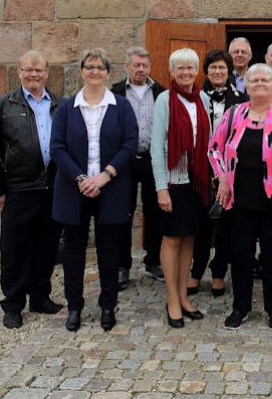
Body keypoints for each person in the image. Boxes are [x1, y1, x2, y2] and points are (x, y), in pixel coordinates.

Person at [208, 63, 272, 330]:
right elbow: (214, 149)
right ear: (246, 85)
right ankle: (240, 307)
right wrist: (223, 177)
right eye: (254, 80)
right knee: (240, 256)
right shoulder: (233, 115)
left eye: (266, 80)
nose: (260, 83)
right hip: (239, 200)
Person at [50, 48, 138, 332]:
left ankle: (108, 306)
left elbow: (130, 144)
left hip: (110, 187)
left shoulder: (121, 106)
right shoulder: (66, 107)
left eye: (100, 67)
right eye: (90, 67)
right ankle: (74, 306)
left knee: (109, 250)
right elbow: (57, 148)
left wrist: (104, 176)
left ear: (108, 72)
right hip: (74, 188)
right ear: (82, 71)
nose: (95, 72)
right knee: (73, 250)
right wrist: (80, 178)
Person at [0, 49, 62, 329]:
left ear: (47, 72)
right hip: (18, 189)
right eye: (28, 70)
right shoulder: (4, 105)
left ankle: (40, 296)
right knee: (14, 249)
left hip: (50, 188)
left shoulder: (58, 105)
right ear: (19, 72)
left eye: (39, 70)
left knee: (46, 246)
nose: (34, 75)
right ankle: (13, 304)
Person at [151, 48, 212, 328]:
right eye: (180, 68)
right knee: (172, 238)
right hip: (174, 182)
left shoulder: (204, 99)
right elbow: (156, 147)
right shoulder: (165, 100)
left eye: (190, 68)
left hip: (197, 181)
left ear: (197, 70)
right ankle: (172, 299)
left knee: (190, 238)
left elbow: (210, 143)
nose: (186, 73)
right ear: (172, 72)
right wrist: (161, 188)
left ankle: (184, 294)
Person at [189, 49, 247, 297]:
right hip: (200, 169)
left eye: (222, 68)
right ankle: (195, 270)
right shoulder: (195, 98)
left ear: (229, 71)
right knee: (201, 223)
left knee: (224, 223)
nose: (217, 72)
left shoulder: (241, 99)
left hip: (230, 171)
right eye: (212, 68)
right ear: (206, 71)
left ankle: (219, 272)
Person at [111, 46, 166, 289]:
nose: (141, 69)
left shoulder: (161, 92)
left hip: (153, 159)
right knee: (123, 211)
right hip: (125, 160)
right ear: (127, 67)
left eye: (144, 65)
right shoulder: (115, 92)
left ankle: (153, 261)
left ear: (150, 67)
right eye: (136, 65)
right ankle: (122, 265)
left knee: (155, 212)